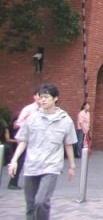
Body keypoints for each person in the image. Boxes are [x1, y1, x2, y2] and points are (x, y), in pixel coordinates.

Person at [8, 84, 77, 220]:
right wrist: (14, 160)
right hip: (32, 165)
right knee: (30, 204)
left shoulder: (65, 120)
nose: (43, 100)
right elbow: (23, 141)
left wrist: (72, 166)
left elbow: (68, 144)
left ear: (55, 98)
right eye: (41, 97)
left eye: (46, 97)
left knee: (41, 201)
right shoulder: (33, 118)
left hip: (51, 166)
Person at [8, 90, 39, 190]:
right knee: (20, 159)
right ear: (34, 96)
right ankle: (12, 182)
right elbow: (19, 122)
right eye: (38, 95)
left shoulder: (42, 109)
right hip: (26, 137)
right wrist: (27, 127)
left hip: (36, 138)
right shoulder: (29, 108)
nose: (40, 98)